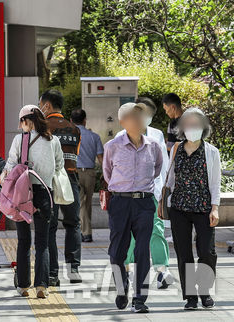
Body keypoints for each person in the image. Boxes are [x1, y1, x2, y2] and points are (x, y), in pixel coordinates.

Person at [103, 103, 163, 313]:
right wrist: (123, 190)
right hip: (120, 202)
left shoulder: (154, 145)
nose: (137, 120)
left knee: (142, 250)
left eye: (140, 116)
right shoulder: (112, 145)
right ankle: (122, 288)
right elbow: (107, 172)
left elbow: (157, 170)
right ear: (122, 122)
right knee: (117, 252)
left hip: (145, 202)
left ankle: (140, 298)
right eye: (132, 117)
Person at [161, 107, 221, 310]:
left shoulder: (211, 152)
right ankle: (191, 297)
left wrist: (215, 208)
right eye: (187, 123)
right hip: (179, 208)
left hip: (204, 208)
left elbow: (215, 183)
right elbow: (170, 179)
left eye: (195, 124)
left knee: (207, 252)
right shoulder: (176, 149)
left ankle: (205, 291)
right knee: (183, 253)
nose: (191, 127)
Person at [2, 105, 63, 299]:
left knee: (23, 240)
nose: (20, 126)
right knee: (43, 242)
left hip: (23, 194)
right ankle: (42, 286)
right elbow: (59, 165)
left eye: (21, 122)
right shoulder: (53, 140)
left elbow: (11, 165)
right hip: (45, 193)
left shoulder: (20, 140)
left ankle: (23, 286)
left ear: (27, 121)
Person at [116, 98, 173, 289]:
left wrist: (163, 191)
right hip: (127, 195)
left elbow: (163, 166)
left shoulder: (156, 135)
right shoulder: (120, 135)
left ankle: (162, 270)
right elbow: (111, 168)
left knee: (156, 231)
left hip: (151, 194)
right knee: (129, 235)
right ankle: (127, 270)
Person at [39, 89, 82, 285]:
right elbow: (75, 155)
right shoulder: (75, 129)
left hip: (49, 182)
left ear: (47, 105)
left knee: (50, 226)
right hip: (70, 179)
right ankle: (73, 270)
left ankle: (52, 274)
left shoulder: (42, 127)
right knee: (73, 223)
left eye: (41, 105)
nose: (40, 109)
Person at [71, 109, 103, 243]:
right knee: (87, 203)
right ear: (85, 120)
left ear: (71, 121)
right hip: (90, 173)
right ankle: (86, 232)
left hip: (74, 172)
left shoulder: (70, 136)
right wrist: (106, 174)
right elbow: (101, 157)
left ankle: (85, 233)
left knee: (80, 203)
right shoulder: (94, 137)